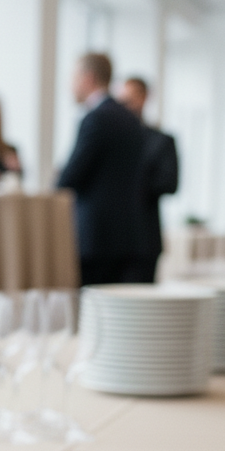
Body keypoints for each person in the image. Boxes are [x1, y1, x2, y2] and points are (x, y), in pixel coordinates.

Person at [57, 52, 150, 286]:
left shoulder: (95, 119)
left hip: (95, 237)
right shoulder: (131, 120)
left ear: (88, 78)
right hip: (128, 235)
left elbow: (71, 176)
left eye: (74, 77)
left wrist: (57, 178)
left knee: (92, 310)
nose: (71, 85)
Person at [118, 76, 180, 283]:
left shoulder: (161, 140)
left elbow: (170, 183)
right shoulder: (109, 141)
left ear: (144, 98)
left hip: (144, 239)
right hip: (109, 241)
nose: (124, 106)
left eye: (129, 99)